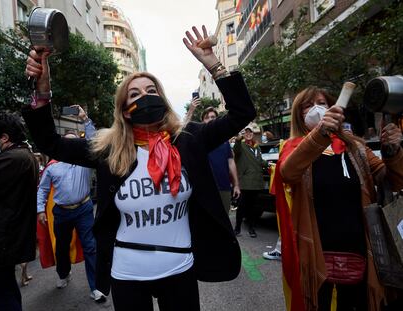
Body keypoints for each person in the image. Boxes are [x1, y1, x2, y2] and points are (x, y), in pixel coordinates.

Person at [23, 25, 256, 311]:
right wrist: (42, 90)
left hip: (180, 268)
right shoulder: (108, 149)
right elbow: (49, 142)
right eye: (134, 94)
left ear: (162, 98)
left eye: (151, 90)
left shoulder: (189, 139)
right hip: (128, 273)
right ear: (124, 110)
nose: (144, 97)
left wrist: (214, 64)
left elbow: (243, 113)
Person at [274, 86, 403, 310]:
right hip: (315, 252)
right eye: (308, 105)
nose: (316, 108)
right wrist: (321, 133)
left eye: (322, 103)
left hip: (359, 248)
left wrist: (393, 151)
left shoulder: (356, 147)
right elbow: (288, 172)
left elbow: (390, 180)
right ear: (299, 114)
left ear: (334, 108)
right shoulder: (293, 148)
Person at [36, 106, 105, 302]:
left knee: (91, 247)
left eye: (78, 145)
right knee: (62, 248)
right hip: (61, 213)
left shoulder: (85, 162)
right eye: (69, 145)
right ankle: (63, 274)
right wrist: (40, 209)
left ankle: (96, 286)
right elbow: (42, 190)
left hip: (83, 209)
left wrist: (85, 119)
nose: (75, 149)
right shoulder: (52, 167)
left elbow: (94, 144)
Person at [0, 113, 38, 311]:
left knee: (0, 295)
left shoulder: (13, 158)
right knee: (6, 290)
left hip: (1, 240)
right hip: (5, 240)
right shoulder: (22, 155)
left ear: (5, 138)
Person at [185, 103, 241, 213]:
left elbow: (231, 163)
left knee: (224, 220)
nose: (210, 120)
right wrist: (191, 110)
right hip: (204, 189)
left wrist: (236, 185)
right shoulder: (197, 140)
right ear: (202, 122)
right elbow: (182, 129)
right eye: (207, 118)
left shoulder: (225, 142)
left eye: (213, 117)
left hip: (223, 188)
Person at [233, 126, 266, 238]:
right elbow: (235, 151)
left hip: (256, 182)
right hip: (245, 183)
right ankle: (237, 228)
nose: (248, 134)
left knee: (253, 208)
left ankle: (251, 228)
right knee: (241, 207)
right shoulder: (241, 145)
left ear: (253, 134)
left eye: (250, 132)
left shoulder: (257, 147)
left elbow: (260, 161)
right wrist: (238, 139)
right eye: (246, 132)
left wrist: (270, 165)